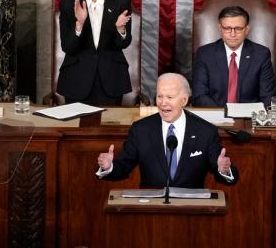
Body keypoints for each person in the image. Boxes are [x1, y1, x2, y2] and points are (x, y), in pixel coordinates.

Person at [96, 73, 238, 188]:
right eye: (159, 96)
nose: (163, 103)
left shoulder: (205, 131)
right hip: (151, 210)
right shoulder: (141, 129)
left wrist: (224, 170)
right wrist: (109, 167)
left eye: (170, 97)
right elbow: (123, 166)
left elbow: (224, 174)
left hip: (191, 211)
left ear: (184, 100)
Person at [57, 0, 132, 105]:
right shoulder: (68, 4)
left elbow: (123, 43)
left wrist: (120, 29)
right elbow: (67, 47)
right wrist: (79, 24)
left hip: (111, 79)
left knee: (108, 128)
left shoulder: (121, 1)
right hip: (76, 79)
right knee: (76, 128)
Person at [191, 6, 275, 107]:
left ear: (247, 29)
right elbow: (199, 95)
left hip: (249, 117)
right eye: (227, 28)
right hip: (215, 115)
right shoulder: (205, 54)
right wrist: (222, 115)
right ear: (220, 28)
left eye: (238, 28)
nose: (233, 34)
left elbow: (267, 96)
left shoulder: (261, 54)